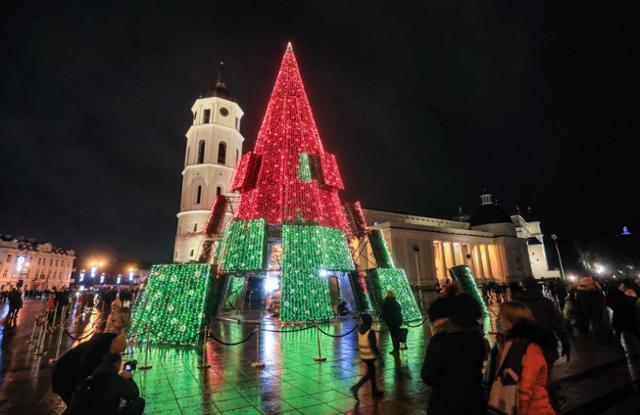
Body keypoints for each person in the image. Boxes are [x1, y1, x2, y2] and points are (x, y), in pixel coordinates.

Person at [421, 293, 488, 415]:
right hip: (474, 402)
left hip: (446, 404)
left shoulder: (440, 342)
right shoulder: (477, 337)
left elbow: (429, 377)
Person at [486, 301, 556, 415]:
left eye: (500, 317)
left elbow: (524, 390)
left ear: (512, 320)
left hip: (532, 410)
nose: (496, 320)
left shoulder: (527, 347)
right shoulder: (505, 344)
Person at [52, 332, 127, 406]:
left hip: (71, 375)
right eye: (117, 352)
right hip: (64, 376)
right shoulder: (97, 347)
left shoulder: (104, 344)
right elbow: (85, 367)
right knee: (76, 406)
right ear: (114, 345)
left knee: (77, 406)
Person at [517, 278, 571, 369]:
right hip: (546, 344)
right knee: (546, 375)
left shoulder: (516, 305)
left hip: (525, 347)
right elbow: (558, 325)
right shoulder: (546, 303)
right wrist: (565, 343)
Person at [68, 352, 144, 415]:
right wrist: (129, 379)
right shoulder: (116, 380)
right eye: (119, 364)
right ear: (116, 364)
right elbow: (134, 395)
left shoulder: (91, 378)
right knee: (140, 402)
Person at [350, 313, 383, 400]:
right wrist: (379, 356)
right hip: (369, 355)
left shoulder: (360, 329)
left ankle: (374, 390)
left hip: (363, 355)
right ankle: (356, 387)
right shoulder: (370, 331)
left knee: (371, 372)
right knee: (370, 373)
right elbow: (373, 346)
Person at [380, 290, 403, 355]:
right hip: (397, 322)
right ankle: (397, 349)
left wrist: (384, 319)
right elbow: (399, 309)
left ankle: (395, 350)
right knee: (397, 336)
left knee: (393, 336)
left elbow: (384, 313)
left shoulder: (385, 303)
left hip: (390, 322)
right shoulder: (395, 302)